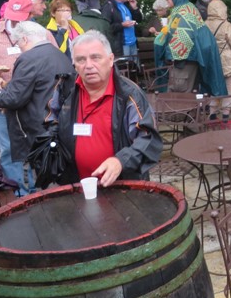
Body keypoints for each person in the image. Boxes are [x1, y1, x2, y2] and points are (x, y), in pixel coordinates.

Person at [56, 31, 162, 185]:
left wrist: (121, 161)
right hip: (78, 186)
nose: (88, 65)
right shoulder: (66, 91)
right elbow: (49, 122)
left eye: (95, 57)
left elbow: (148, 139)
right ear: (74, 65)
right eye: (81, 60)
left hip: (123, 186)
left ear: (111, 59)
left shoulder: (129, 95)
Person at [0, 21, 75, 189]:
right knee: (60, 175)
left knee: (45, 179)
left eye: (18, 44)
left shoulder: (28, 58)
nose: (19, 48)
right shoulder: (59, 54)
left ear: (24, 39)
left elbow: (13, 99)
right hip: (61, 122)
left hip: (38, 129)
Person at [0, 0, 39, 193]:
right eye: (13, 15)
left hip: (29, 103)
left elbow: (50, 58)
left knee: (33, 146)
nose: (15, 20)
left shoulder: (39, 33)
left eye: (21, 16)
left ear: (30, 14)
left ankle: (36, 189)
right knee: (8, 149)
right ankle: (19, 191)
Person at [154, 0, 225, 95]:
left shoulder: (183, 13)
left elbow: (183, 40)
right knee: (192, 91)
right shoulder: (186, 7)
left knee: (180, 94)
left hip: (185, 62)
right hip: (195, 57)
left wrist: (169, 54)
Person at [205, 0, 231, 124]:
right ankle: (225, 116)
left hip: (211, 60)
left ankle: (212, 114)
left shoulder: (204, 24)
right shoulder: (226, 25)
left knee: (214, 87)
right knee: (229, 88)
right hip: (226, 61)